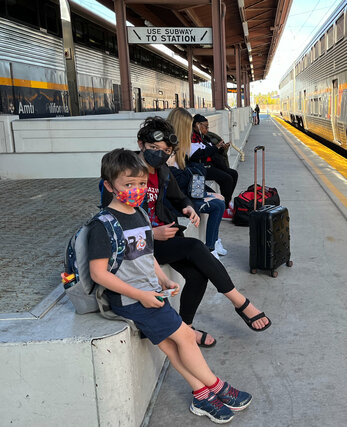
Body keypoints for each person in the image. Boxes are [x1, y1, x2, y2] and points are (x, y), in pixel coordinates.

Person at [89, 148, 252, 423]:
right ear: (109, 185)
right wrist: (140, 295)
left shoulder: (139, 213)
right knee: (187, 337)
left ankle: (201, 395)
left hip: (148, 292)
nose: (137, 190)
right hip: (133, 299)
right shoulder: (103, 225)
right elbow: (98, 274)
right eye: (128, 184)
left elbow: (146, 254)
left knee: (172, 347)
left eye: (141, 184)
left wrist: (163, 279)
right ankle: (216, 386)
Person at [102, 117, 271, 349]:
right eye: (153, 148)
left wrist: (188, 207)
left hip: (165, 237)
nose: (159, 155)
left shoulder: (162, 171)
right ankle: (240, 303)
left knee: (197, 275)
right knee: (195, 247)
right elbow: (112, 223)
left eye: (165, 151)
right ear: (140, 144)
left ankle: (186, 329)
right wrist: (153, 232)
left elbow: (178, 196)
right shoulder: (123, 175)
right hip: (139, 246)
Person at [167, 108, 227, 259]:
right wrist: (203, 196)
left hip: (184, 194)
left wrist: (206, 193)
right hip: (175, 201)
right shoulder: (169, 152)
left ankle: (213, 244)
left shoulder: (178, 149)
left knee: (219, 199)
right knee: (217, 205)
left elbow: (185, 179)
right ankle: (211, 247)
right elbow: (177, 183)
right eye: (188, 127)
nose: (191, 132)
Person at [190, 114, 238, 217]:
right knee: (227, 178)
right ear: (197, 125)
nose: (207, 129)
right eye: (205, 126)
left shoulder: (204, 137)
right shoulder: (191, 138)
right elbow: (197, 154)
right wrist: (215, 147)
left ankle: (227, 202)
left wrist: (221, 148)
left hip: (210, 165)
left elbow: (211, 151)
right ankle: (224, 208)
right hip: (201, 168)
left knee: (233, 174)